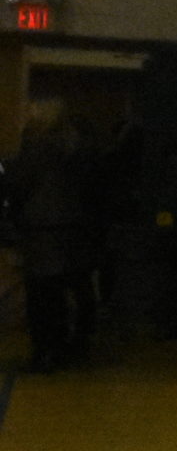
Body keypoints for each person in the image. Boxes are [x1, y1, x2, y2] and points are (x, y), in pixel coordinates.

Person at [13, 105, 99, 373]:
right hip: (75, 230)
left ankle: (44, 352)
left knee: (40, 297)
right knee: (70, 291)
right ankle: (70, 345)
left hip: (41, 231)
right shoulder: (80, 150)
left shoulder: (35, 150)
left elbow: (19, 187)